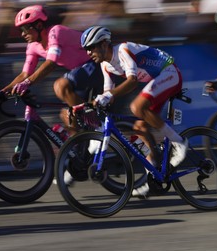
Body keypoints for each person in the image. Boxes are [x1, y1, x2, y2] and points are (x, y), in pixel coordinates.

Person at [80, 25, 188, 198]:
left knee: (137, 107)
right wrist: (94, 104)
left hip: (169, 72)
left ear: (103, 44)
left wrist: (108, 96)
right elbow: (109, 95)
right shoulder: (105, 66)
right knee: (140, 129)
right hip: (158, 80)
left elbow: (132, 81)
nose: (88, 53)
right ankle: (152, 179)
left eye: (91, 47)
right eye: (86, 49)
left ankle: (179, 142)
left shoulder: (122, 50)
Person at [0, 5, 103, 132]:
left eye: (25, 28)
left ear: (39, 26)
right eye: (21, 29)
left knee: (60, 86)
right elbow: (25, 74)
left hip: (96, 62)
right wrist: (3, 92)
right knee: (67, 117)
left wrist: (27, 83)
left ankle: (97, 127)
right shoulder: (32, 46)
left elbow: (51, 63)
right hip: (80, 72)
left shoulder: (55, 32)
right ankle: (80, 147)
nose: (22, 33)